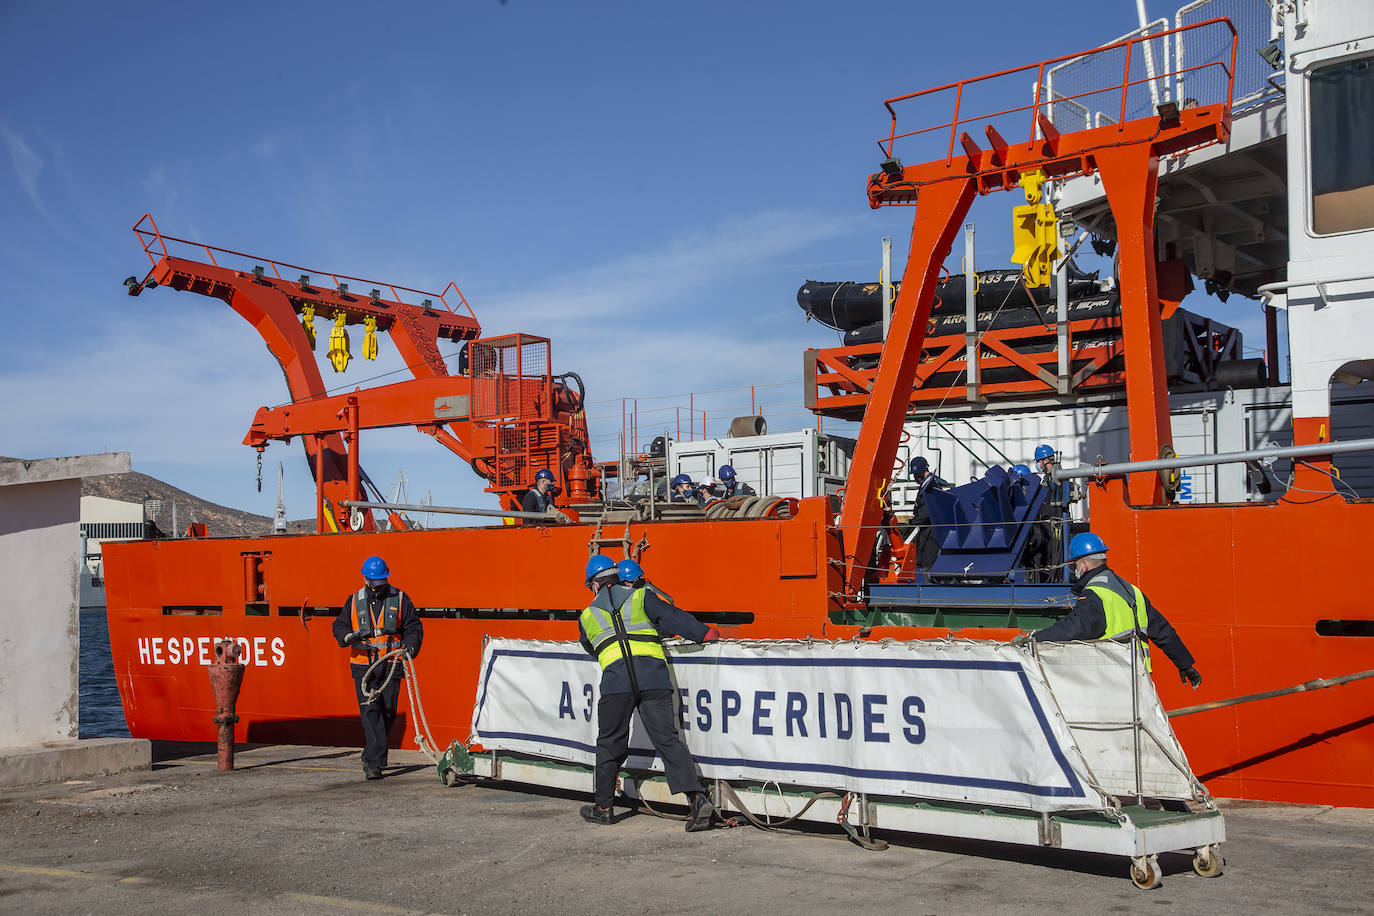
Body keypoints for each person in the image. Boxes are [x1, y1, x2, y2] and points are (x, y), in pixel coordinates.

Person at [578, 554, 720, 830]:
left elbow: (593, 648)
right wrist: (705, 634)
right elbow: (672, 617)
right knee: (667, 740)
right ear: (617, 577)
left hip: (617, 684)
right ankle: (697, 799)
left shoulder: (586, 616)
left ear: (594, 585)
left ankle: (604, 808)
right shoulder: (641, 597)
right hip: (653, 678)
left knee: (609, 743)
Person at [1030, 533, 1201, 689]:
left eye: (1075, 564)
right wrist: (1185, 665)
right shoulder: (1133, 591)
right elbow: (1164, 631)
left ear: (1084, 564)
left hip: (1114, 678)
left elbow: (1075, 627)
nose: (1075, 569)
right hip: (1141, 677)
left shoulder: (1095, 592)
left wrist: (1035, 638)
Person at [332, 556, 424, 780]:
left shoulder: (401, 599)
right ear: (365, 580)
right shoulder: (353, 601)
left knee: (389, 712)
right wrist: (346, 635)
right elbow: (339, 624)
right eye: (373, 582)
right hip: (363, 666)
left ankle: (371, 754)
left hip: (391, 664)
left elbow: (414, 627)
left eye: (380, 582)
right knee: (371, 712)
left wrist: (410, 648)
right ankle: (373, 764)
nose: (377, 586)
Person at [906, 456, 950, 568]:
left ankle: (928, 583)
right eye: (915, 475)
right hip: (925, 529)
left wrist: (913, 522)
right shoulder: (926, 484)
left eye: (919, 474)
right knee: (920, 559)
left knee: (927, 561)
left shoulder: (931, 486)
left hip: (931, 530)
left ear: (925, 471)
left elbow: (927, 510)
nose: (916, 477)